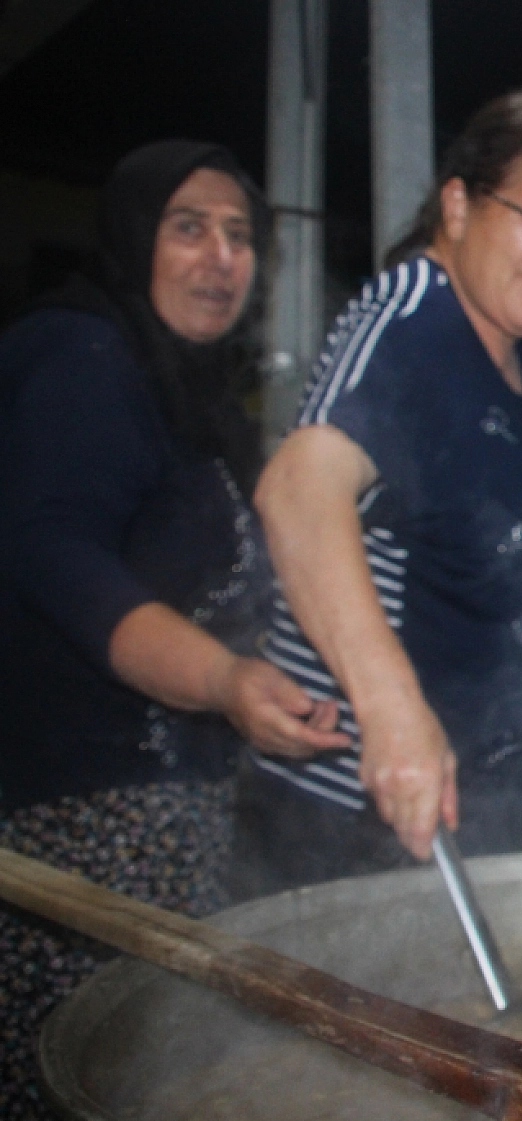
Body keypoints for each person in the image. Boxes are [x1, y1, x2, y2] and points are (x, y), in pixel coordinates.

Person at [0, 141, 345, 1120]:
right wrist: (226, 681)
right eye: (188, 227)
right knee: (80, 1076)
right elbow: (55, 557)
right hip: (74, 822)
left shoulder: (181, 393)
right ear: (131, 235)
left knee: (155, 1078)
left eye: (239, 235)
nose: (220, 257)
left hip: (165, 809)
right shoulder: (81, 353)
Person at [233, 91, 522, 896]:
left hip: (465, 829)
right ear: (457, 204)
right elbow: (298, 490)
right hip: (360, 834)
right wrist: (393, 712)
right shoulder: (415, 319)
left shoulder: (499, 352)